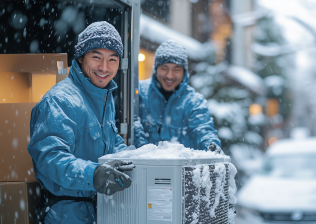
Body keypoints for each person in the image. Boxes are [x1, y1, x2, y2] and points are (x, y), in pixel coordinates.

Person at [28, 21, 138, 224]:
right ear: (80, 57)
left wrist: (139, 158)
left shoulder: (102, 96)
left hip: (99, 210)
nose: (104, 68)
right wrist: (93, 174)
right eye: (96, 57)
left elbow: (112, 141)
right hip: (66, 214)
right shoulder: (60, 100)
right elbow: (49, 158)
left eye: (112, 59)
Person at [137, 40, 221, 152]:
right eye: (164, 68)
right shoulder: (140, 93)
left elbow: (203, 130)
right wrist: (145, 153)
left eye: (176, 69)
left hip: (182, 168)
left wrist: (211, 146)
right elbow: (133, 128)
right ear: (155, 69)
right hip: (144, 165)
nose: (169, 75)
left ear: (184, 72)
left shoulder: (194, 102)